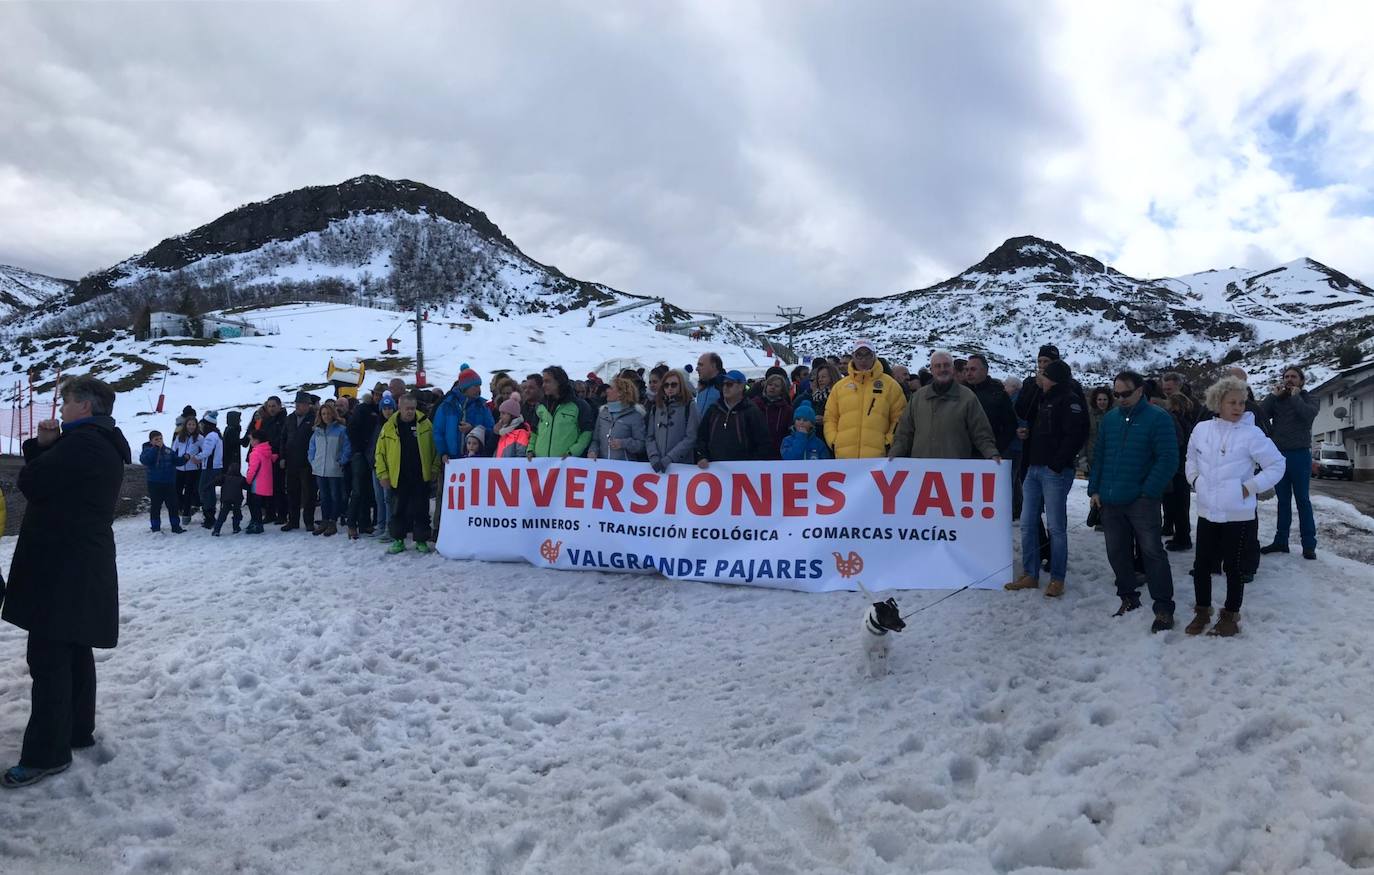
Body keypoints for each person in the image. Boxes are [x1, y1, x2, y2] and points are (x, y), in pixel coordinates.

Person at [2, 376, 130, 789]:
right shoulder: (101, 441)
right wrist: (45, 446)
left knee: (49, 658)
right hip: (80, 562)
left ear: (86, 408)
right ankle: (76, 731)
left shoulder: (82, 445)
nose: (60, 410)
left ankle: (46, 754)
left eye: (67, 402)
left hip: (61, 566)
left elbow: (32, 483)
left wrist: (42, 448)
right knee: (74, 648)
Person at [1184, 376, 1286, 637]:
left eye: (1242, 402)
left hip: (1238, 514)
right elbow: (1190, 458)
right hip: (1207, 511)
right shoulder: (1201, 430)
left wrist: (1248, 488)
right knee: (1203, 565)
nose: (1239, 407)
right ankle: (1202, 611)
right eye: (1233, 402)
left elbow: (1277, 465)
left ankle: (1230, 615)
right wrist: (1196, 481)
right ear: (1217, 402)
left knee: (1235, 567)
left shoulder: (1252, 434)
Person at [1087, 371, 1178, 632]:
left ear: (1140, 391)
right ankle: (1128, 597)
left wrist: (1148, 491)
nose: (1120, 398)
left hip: (1142, 500)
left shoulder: (1158, 418)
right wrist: (1095, 488)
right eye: (1116, 394)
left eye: (1125, 393)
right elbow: (1100, 455)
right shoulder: (1111, 419)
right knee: (1116, 551)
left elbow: (1168, 459)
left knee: (1152, 553)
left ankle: (1163, 608)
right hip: (1110, 498)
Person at [1005, 359, 1087, 597]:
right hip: (1034, 468)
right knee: (1028, 523)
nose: (1040, 377)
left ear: (1055, 378)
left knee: (1056, 526)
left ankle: (1057, 578)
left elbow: (1076, 435)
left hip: (1054, 471)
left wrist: (1056, 464)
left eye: (1044, 374)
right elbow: (1027, 415)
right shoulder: (1043, 399)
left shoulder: (1070, 400)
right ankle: (1030, 573)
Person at [889, 351, 999, 461]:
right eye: (938, 366)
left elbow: (981, 433)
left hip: (953, 469)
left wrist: (991, 454)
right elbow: (904, 432)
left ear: (952, 369)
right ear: (932, 370)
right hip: (921, 470)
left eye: (946, 365)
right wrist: (894, 454)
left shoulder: (968, 397)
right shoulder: (918, 397)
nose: (942, 369)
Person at [1260, 366, 1320, 560]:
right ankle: (1281, 541)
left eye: (1294, 377)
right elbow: (1259, 414)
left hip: (1300, 455)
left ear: (1301, 381)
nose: (1289, 379)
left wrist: (1295, 396)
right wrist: (1272, 396)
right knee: (1283, 501)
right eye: (1286, 376)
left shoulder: (1311, 398)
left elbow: (1307, 415)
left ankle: (1309, 545)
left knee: (1302, 500)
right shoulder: (1277, 400)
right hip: (1278, 456)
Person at [375, 394, 436, 554]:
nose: (410, 412)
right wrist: (383, 474)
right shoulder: (389, 427)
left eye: (412, 408)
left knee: (421, 510)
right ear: (400, 408)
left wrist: (434, 469)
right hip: (398, 477)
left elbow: (435, 449)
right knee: (398, 510)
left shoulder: (425, 424)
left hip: (420, 476)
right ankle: (398, 540)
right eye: (407, 408)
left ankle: (421, 540)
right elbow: (380, 453)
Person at [825, 339, 907, 459]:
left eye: (867, 355)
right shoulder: (840, 387)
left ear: (874, 356)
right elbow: (830, 418)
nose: (863, 359)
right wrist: (834, 441)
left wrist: (888, 443)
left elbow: (899, 418)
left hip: (878, 460)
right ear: (853, 356)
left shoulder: (890, 385)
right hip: (844, 457)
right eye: (859, 355)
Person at [695, 370, 771, 465]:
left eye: (729, 384)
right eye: (724, 384)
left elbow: (763, 443)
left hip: (743, 471)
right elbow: (701, 437)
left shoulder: (751, 411)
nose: (725, 387)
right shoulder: (713, 409)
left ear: (741, 386)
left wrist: (752, 464)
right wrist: (702, 456)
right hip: (714, 470)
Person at [434, 366, 495, 466]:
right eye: (475, 386)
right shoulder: (447, 406)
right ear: (465, 388)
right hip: (451, 461)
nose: (479, 389)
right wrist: (443, 452)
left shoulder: (482, 406)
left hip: (477, 461)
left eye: (479, 386)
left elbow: (491, 430)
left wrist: (473, 429)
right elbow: (438, 431)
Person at [528, 366, 594, 459]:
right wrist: (530, 450)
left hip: (566, 465)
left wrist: (572, 452)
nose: (543, 385)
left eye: (547, 381)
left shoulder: (579, 405)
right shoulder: (541, 405)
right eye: (543, 381)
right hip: (541, 465)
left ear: (559, 382)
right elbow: (534, 431)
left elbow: (586, 432)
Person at [307, 401, 351, 536]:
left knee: (335, 496)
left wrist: (341, 461)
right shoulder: (317, 431)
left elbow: (347, 448)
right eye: (323, 414)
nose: (326, 416)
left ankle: (333, 521)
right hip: (320, 469)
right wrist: (313, 461)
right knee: (324, 497)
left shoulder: (341, 430)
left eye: (328, 413)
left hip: (334, 469)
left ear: (333, 414)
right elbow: (312, 448)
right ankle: (325, 520)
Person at [645, 368, 699, 473]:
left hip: (682, 467)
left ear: (681, 386)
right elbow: (649, 436)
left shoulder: (690, 406)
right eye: (666, 385)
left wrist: (670, 458)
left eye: (674, 385)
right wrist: (654, 456)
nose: (670, 388)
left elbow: (691, 437)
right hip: (657, 465)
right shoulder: (656, 407)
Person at [1162, 392, 1197, 550]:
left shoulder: (1172, 418)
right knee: (1182, 504)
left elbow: (1176, 441)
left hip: (1177, 467)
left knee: (1176, 503)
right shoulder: (1189, 418)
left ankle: (1182, 538)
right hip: (1185, 465)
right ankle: (1181, 535)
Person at [965, 354, 1018, 457]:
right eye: (966, 370)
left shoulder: (998, 394)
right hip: (963, 453)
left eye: (973, 369)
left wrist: (996, 449)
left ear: (985, 370)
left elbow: (1010, 425)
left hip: (989, 455)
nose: (968, 373)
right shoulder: (961, 392)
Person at [345, 391, 380, 539]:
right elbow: (351, 429)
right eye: (376, 394)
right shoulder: (363, 409)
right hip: (360, 454)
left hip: (374, 455)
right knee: (358, 490)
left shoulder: (381, 409)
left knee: (368, 490)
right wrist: (359, 449)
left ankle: (365, 523)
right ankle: (352, 524)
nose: (378, 397)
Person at [280, 391, 317, 532]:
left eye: (302, 404)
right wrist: (282, 457)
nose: (299, 406)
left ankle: (309, 521)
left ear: (308, 405)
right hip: (291, 462)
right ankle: (293, 521)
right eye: (297, 404)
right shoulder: (289, 419)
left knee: (309, 494)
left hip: (307, 463)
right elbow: (283, 439)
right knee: (292, 492)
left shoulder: (314, 419)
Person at [587, 376, 646, 462]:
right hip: (602, 468)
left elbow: (641, 445)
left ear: (621, 393)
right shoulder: (603, 413)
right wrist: (592, 451)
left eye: (611, 388)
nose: (607, 390)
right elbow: (595, 440)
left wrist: (623, 443)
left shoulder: (635, 416)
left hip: (625, 469)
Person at [139, 430, 187, 534]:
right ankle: (155, 527)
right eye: (156, 439)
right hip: (154, 483)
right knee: (156, 506)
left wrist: (184, 458)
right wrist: (155, 449)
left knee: (173, 506)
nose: (159, 441)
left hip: (169, 483)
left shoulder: (168, 451)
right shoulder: (147, 450)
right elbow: (145, 460)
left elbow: (177, 461)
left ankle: (175, 526)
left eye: (160, 439)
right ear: (151, 441)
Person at [372, 392, 396, 541]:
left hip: (390, 468)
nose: (387, 411)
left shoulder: (394, 425)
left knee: (389, 498)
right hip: (376, 466)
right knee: (379, 498)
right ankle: (381, 524)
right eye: (384, 408)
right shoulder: (377, 425)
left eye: (390, 408)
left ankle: (389, 527)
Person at [243, 429, 277, 534]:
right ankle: (257, 523)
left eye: (252, 440)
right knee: (258, 505)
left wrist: (247, 481)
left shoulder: (255, 453)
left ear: (257, 440)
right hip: (265, 484)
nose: (251, 442)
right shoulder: (267, 450)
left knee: (254, 506)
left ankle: (256, 524)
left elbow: (252, 469)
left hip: (256, 484)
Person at [195, 411, 224, 529]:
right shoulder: (216, 434)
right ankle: (210, 516)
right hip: (214, 467)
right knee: (209, 491)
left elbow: (207, 452)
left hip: (210, 467)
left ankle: (209, 518)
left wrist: (196, 458)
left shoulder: (210, 436)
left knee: (204, 490)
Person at [170, 416, 202, 527]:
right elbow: (173, 450)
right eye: (189, 424)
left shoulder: (200, 438)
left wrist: (198, 458)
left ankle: (186, 514)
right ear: (185, 425)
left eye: (193, 424)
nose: (191, 427)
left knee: (189, 492)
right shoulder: (179, 437)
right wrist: (174, 461)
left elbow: (205, 452)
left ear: (196, 426)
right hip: (179, 468)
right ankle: (180, 508)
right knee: (177, 491)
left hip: (192, 469)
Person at [753, 373, 793, 459]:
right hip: (757, 453)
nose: (772, 387)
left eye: (776, 386)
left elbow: (788, 432)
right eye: (770, 384)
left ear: (782, 390)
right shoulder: (754, 406)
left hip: (778, 453)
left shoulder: (787, 410)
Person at [494, 394, 532, 458]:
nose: (500, 416)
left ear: (512, 415)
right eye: (500, 413)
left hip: (511, 467)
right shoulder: (503, 432)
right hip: (501, 467)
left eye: (503, 413)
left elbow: (521, 455)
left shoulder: (521, 433)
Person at [212, 465, 245, 536]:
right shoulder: (241, 479)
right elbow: (247, 486)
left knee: (222, 515)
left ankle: (216, 530)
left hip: (226, 499)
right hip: (237, 499)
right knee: (237, 514)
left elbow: (215, 481)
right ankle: (236, 528)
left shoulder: (224, 477)